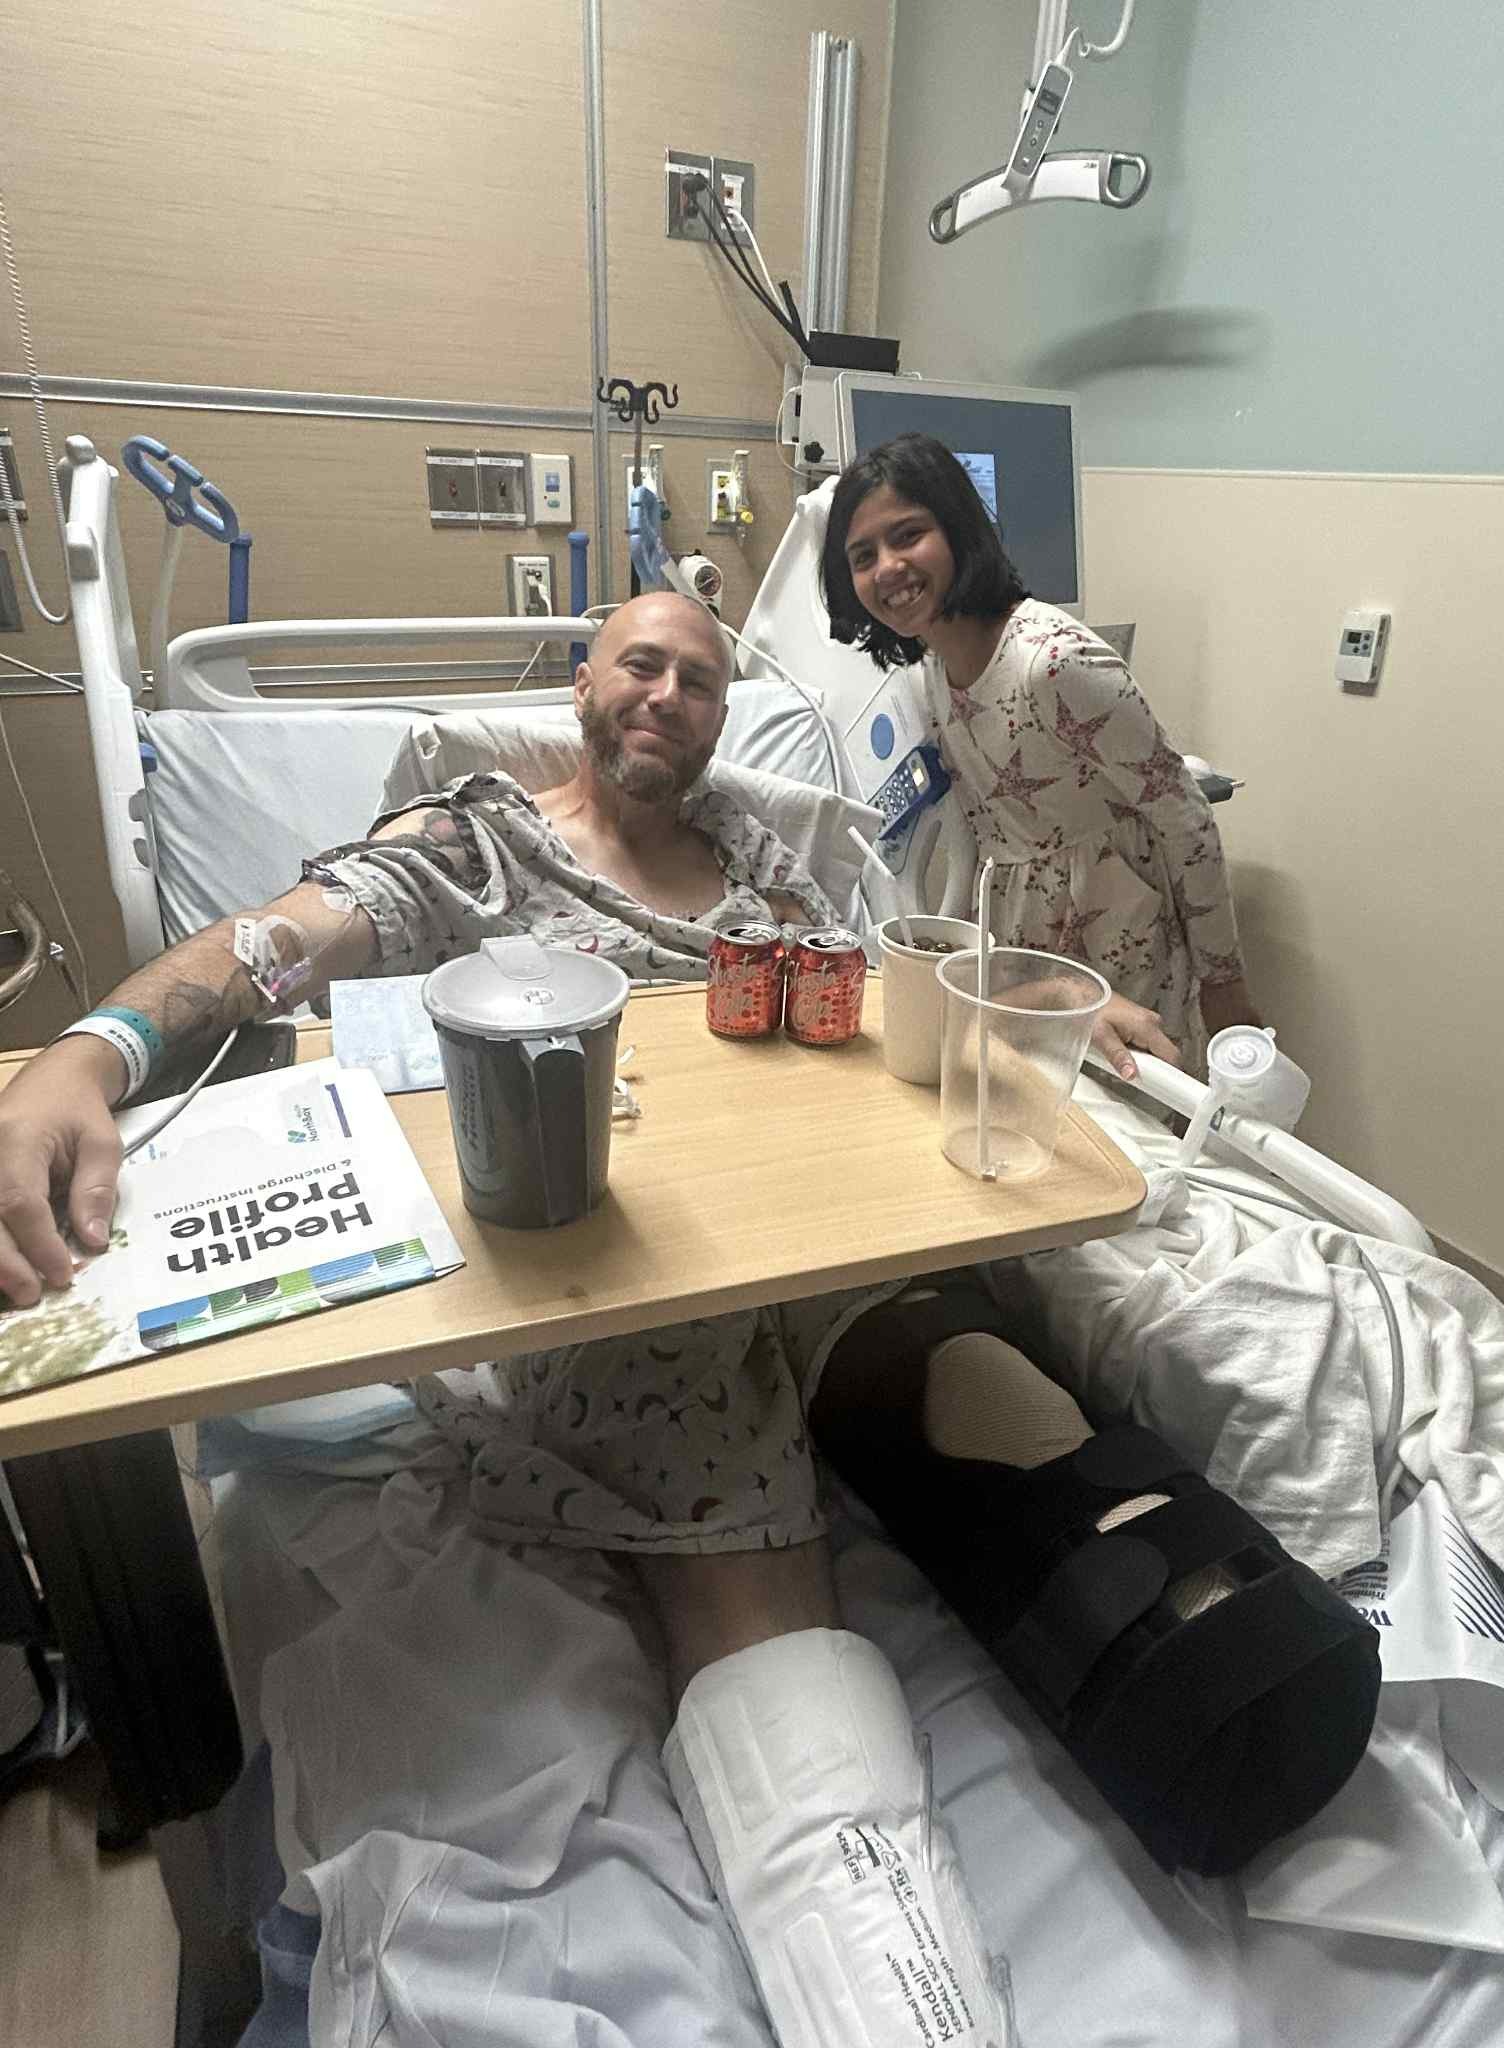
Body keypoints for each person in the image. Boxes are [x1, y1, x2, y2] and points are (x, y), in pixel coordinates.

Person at [0, 589, 1059, 2043]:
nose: (668, 695)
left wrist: (1017, 1012)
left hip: (820, 1231)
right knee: (719, 1438)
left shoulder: (763, 855)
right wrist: (88, 1054)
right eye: (641, 664)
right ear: (582, 685)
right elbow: (267, 947)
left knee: (1004, 1379)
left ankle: (1148, 1635)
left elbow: (874, 995)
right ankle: (889, 1981)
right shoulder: (476, 846)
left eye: (700, 680)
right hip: (633, 1272)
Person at [821, 431, 1261, 1062]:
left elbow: (1185, 817)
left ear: (958, 531)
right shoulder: (930, 673)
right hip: (1024, 944)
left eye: (908, 535)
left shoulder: (1053, 664)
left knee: (1130, 1096)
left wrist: (1224, 984)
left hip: (1121, 936)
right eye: (863, 555)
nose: (887, 567)